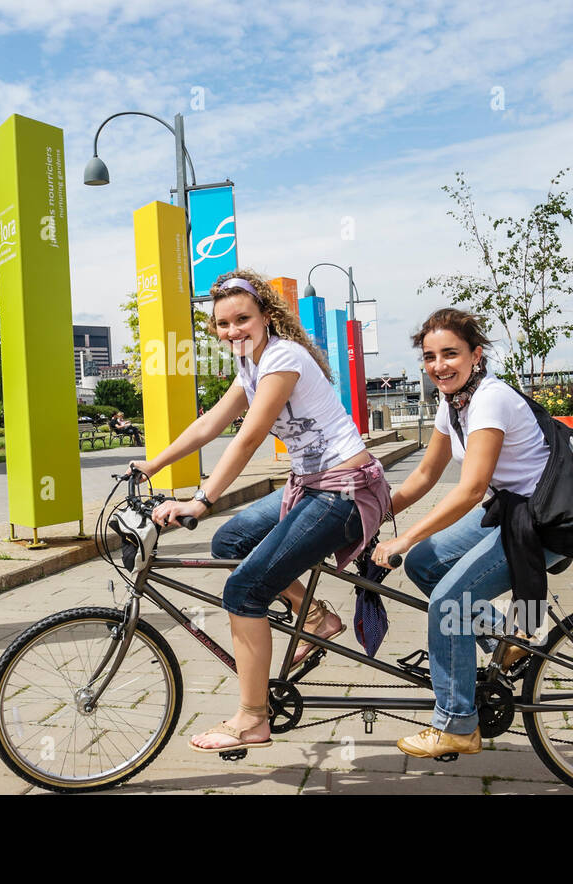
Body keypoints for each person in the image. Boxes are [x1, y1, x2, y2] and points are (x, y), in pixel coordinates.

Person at [132, 270, 391, 754]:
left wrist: (202, 500)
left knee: (244, 588)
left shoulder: (283, 357)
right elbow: (213, 422)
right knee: (229, 542)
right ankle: (313, 617)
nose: (233, 330)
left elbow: (250, 436)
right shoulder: (250, 365)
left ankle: (252, 718)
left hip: (346, 492)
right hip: (310, 486)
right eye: (223, 324)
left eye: (243, 319)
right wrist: (153, 464)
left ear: (267, 317)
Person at [373, 308, 564, 759]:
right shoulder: (452, 403)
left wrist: (403, 539)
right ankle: (505, 642)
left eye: (451, 354)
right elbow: (423, 475)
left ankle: (457, 724)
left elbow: (472, 488)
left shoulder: (490, 400)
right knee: (425, 563)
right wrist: (373, 515)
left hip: (543, 521)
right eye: (430, 356)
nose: (439, 365)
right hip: (512, 512)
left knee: (449, 603)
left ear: (476, 355)